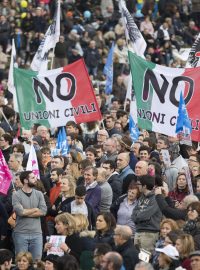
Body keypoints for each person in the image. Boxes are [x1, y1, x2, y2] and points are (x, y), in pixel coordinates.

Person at [12, 171, 47, 261]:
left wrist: (25, 212)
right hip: (21, 233)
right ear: (25, 180)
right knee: (21, 262)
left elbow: (43, 211)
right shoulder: (16, 195)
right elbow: (20, 212)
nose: (35, 179)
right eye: (32, 178)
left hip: (37, 234)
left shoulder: (39, 194)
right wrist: (35, 209)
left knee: (36, 262)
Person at [132, 175, 162, 254]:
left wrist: (137, 216)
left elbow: (146, 215)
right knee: (137, 259)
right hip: (138, 231)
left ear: (144, 186)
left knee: (145, 259)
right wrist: (137, 216)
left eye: (139, 184)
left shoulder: (155, 198)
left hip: (149, 233)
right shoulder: (141, 197)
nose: (137, 186)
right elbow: (134, 212)